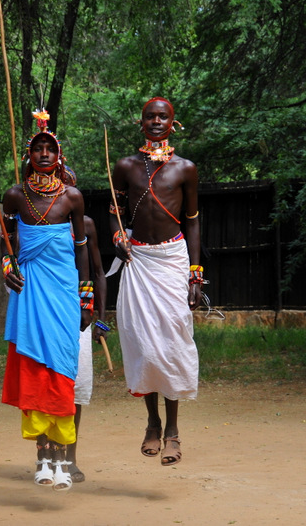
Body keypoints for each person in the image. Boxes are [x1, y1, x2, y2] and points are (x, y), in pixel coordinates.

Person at [108, 97, 202, 466]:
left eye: (163, 116)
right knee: (143, 341)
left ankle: (174, 432)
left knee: (173, 340)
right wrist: (118, 237)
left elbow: (192, 221)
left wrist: (196, 273)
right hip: (138, 260)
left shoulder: (185, 169)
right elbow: (114, 212)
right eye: (151, 116)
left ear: (173, 123)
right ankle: (152, 423)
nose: (157, 121)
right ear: (141, 122)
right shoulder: (125, 166)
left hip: (172, 261)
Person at [0, 110, 91, 491]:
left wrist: (86, 297)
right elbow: (5, 242)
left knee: (62, 366)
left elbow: (82, 249)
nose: (43, 153)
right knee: (36, 366)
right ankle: (42, 457)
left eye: (49, 148)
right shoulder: (15, 196)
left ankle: (61, 456)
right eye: (37, 148)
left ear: (59, 156)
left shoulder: (72, 197)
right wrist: (7, 265)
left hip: (64, 291)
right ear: (28, 156)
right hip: (30, 291)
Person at [60, 167, 109, 483]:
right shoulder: (30, 223)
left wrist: (100, 315)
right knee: (50, 384)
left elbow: (98, 272)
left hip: (80, 313)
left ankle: (70, 457)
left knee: (75, 388)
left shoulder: (86, 225)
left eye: (66, 186)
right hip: (46, 310)